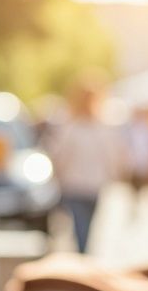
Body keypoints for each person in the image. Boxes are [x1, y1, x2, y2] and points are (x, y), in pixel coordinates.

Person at [45, 72, 123, 253]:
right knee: (82, 228)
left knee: (86, 227)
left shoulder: (94, 128)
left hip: (88, 185)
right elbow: (60, 156)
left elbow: (59, 156)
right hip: (79, 185)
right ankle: (83, 257)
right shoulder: (75, 127)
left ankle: (83, 257)